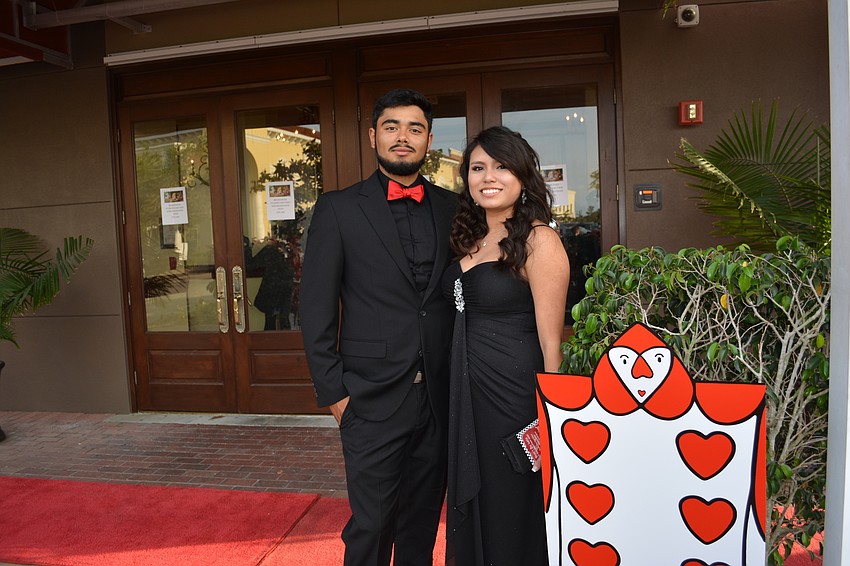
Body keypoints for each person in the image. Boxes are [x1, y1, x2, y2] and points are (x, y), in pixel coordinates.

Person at [300, 88, 458, 566]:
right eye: (392, 127)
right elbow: (315, 308)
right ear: (373, 136)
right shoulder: (339, 208)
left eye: (415, 128)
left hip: (438, 397)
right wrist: (336, 396)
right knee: (370, 527)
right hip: (369, 399)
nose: (402, 138)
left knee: (422, 525)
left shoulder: (454, 208)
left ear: (429, 139)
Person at [441, 126, 570, 565]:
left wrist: (550, 423)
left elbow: (553, 345)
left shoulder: (540, 241)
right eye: (478, 167)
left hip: (513, 401)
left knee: (510, 506)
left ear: (521, 176)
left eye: (501, 166)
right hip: (465, 396)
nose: (488, 177)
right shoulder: (467, 239)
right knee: (475, 506)